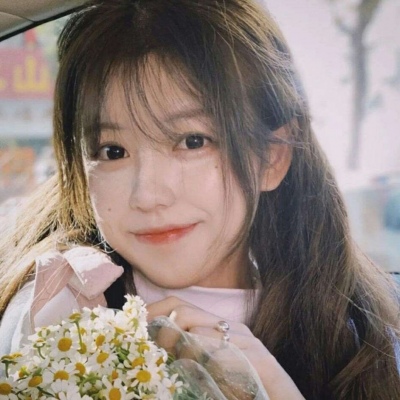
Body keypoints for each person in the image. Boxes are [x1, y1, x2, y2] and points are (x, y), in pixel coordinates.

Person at [0, 0, 399, 398]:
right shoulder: (61, 311)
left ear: (272, 157)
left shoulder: (358, 339)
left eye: (193, 141)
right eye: (112, 151)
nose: (148, 195)